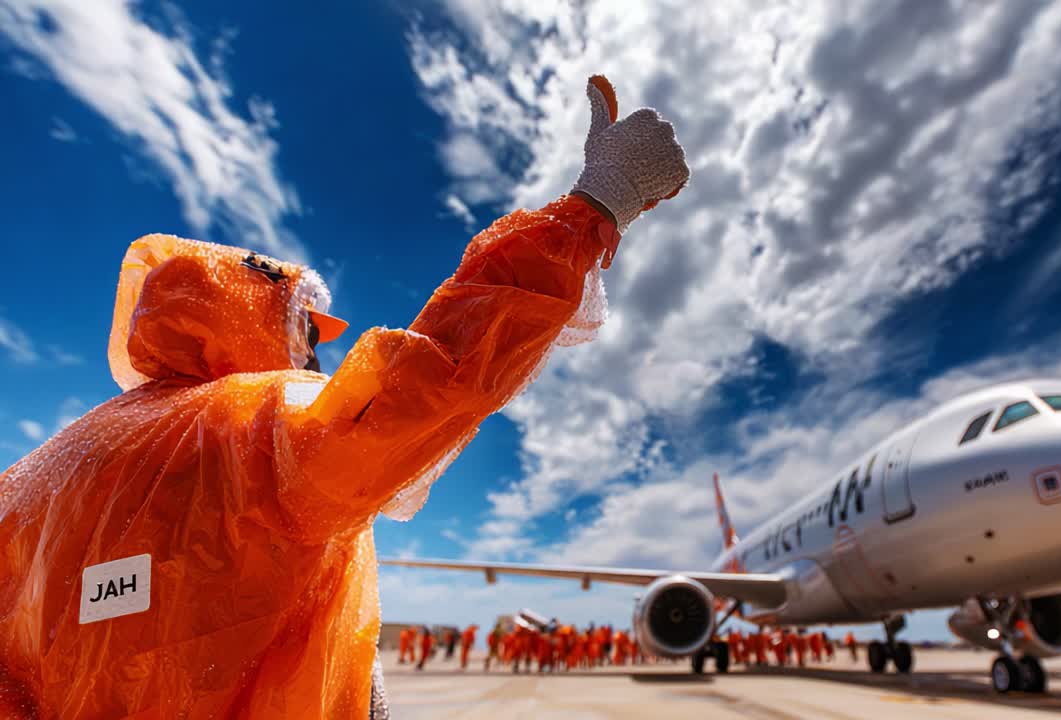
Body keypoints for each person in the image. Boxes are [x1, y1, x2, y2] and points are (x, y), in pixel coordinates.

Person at [0, 76, 688, 719]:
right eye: (304, 327)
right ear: (246, 318)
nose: (315, 352)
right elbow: (434, 376)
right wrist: (591, 211)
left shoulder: (36, 479)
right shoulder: (252, 428)